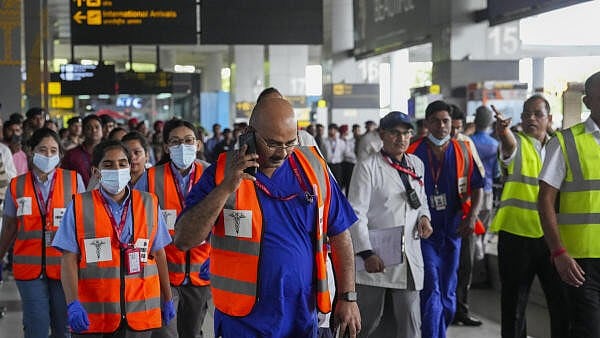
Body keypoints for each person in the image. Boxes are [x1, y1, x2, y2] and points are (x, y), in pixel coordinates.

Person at [173, 98, 361, 337]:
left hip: (302, 315)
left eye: (290, 143)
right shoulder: (220, 172)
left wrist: (347, 296)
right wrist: (225, 188)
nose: (282, 153)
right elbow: (184, 239)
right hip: (243, 320)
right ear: (249, 134)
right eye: (272, 144)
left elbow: (340, 233)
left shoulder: (314, 168)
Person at [52, 140, 175, 337]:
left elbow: (159, 253)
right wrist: (72, 302)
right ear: (96, 171)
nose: (116, 169)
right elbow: (68, 260)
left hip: (140, 312)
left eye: (122, 163)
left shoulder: (149, 203)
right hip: (95, 315)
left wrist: (168, 297)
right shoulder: (78, 206)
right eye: (108, 165)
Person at [491, 95, 570, 338]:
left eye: (537, 114)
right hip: (517, 237)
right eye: (526, 114)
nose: (531, 118)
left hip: (553, 239)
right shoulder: (518, 144)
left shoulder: (562, 146)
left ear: (550, 119)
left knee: (561, 305)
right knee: (514, 306)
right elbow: (508, 146)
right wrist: (504, 132)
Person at [348, 111, 433, 338]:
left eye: (406, 133)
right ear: (382, 134)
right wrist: (366, 253)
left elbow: (421, 200)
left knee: (410, 322)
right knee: (365, 321)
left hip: (409, 256)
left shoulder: (416, 164)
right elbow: (356, 212)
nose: (401, 138)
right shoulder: (367, 167)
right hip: (376, 256)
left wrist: (425, 218)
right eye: (395, 133)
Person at [407, 100, 483, 338]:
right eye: (436, 121)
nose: (442, 126)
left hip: (454, 230)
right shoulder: (413, 151)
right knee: (431, 289)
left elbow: (478, 187)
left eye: (446, 121)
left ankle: (440, 326)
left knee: (449, 296)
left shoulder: (463, 150)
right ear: (427, 123)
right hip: (423, 233)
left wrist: (472, 217)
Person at [0, 128, 84, 338]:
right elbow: (9, 227)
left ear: (60, 155)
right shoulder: (16, 185)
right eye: (42, 150)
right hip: (28, 269)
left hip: (64, 267)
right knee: (36, 325)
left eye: (53, 150)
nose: (48, 155)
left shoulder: (74, 181)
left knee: (63, 326)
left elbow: (85, 225)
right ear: (31, 151)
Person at [135, 119, 211, 338]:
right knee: (165, 334)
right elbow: (138, 222)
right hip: (163, 274)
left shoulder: (212, 175)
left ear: (198, 144)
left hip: (200, 272)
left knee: (193, 332)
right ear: (166, 147)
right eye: (175, 142)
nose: (182, 147)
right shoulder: (150, 178)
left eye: (188, 141)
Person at [538, 74, 600, 337]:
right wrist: (558, 252)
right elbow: (545, 200)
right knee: (589, 331)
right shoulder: (565, 142)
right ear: (587, 101)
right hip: (581, 262)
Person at [449, 104, 486, 327]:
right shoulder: (426, 147)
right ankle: (444, 309)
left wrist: (472, 215)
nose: (452, 132)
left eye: (457, 127)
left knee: (465, 266)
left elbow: (478, 179)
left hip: (463, 213)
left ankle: (461, 310)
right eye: (449, 126)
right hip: (437, 218)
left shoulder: (466, 143)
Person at [62, 114, 103, 187]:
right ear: (83, 131)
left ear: (102, 130)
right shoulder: (72, 154)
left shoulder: (110, 153)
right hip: (79, 196)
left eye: (97, 127)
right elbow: (64, 178)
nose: (94, 130)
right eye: (89, 128)